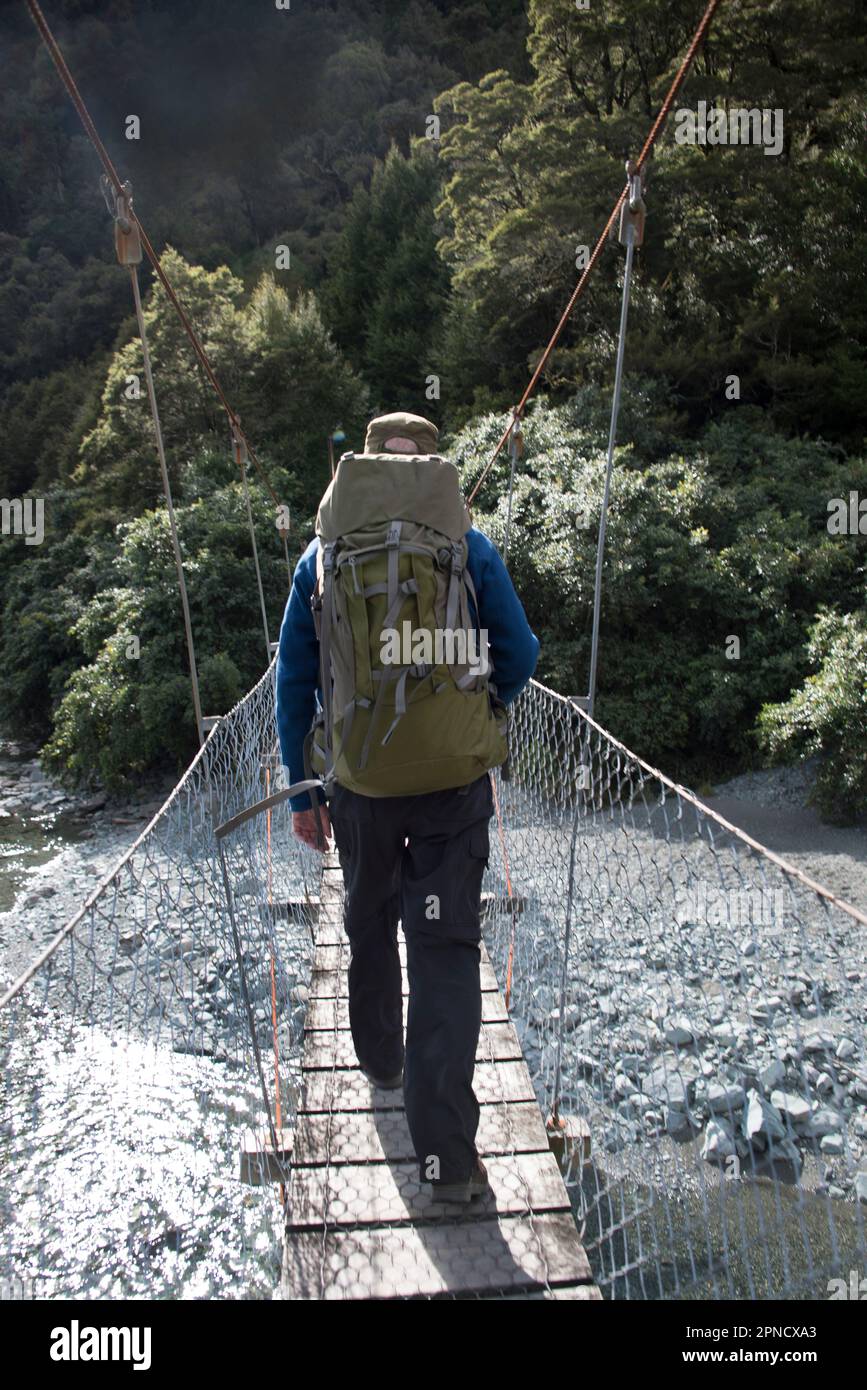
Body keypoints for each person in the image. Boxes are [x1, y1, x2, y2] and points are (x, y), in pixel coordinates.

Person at [275, 411, 539, 1202]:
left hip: (359, 787)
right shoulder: (467, 546)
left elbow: (294, 681)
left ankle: (380, 1060)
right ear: (434, 466)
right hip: (453, 788)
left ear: (361, 461)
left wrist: (302, 786)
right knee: (446, 952)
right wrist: (479, 711)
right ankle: (450, 1164)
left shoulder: (321, 555)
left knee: (367, 922)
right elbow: (519, 652)